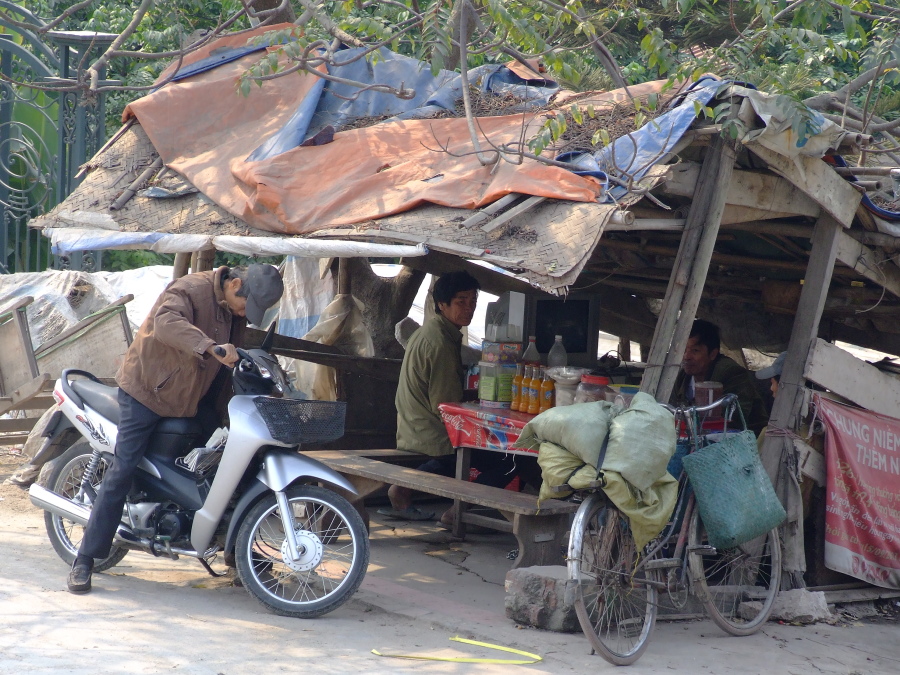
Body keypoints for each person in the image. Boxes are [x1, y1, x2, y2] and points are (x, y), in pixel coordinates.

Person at [67, 264, 284, 594]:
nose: (246, 314)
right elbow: (167, 325)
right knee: (122, 469)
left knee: (231, 464)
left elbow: (232, 360)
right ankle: (84, 560)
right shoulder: (189, 289)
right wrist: (209, 346)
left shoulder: (233, 312)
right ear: (235, 284)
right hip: (147, 391)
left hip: (190, 400)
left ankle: (237, 554)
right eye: (247, 305)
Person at [380, 270, 524, 527]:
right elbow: (446, 406)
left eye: (472, 301)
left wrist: (478, 396)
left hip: (414, 426)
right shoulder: (440, 343)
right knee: (511, 460)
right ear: (442, 305)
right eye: (461, 302)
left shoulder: (433, 332)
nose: (468, 308)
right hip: (430, 432)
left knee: (469, 455)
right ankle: (457, 511)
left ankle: (402, 491)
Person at [671, 319, 768, 435]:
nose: (686, 357)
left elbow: (734, 420)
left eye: (695, 350)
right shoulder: (682, 377)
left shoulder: (731, 373)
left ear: (712, 354)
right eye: (684, 350)